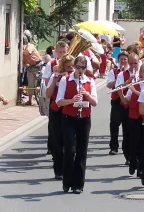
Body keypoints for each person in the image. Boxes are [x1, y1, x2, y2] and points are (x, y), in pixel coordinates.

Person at [56, 56, 98, 194]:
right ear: (74, 67)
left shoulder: (89, 81)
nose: (80, 70)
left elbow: (95, 103)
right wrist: (71, 100)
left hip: (84, 119)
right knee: (69, 150)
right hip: (69, 118)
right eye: (78, 67)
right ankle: (66, 182)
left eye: (83, 68)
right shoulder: (65, 80)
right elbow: (59, 102)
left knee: (81, 151)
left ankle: (78, 184)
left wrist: (86, 94)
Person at [119, 63, 144, 176]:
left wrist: (134, 90)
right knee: (134, 143)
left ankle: (142, 169)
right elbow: (126, 102)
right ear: (141, 74)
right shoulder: (135, 85)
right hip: (134, 117)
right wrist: (120, 93)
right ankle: (133, 163)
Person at [46, 54, 75, 180]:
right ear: (62, 66)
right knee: (57, 141)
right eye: (68, 67)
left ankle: (68, 169)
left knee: (69, 142)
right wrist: (55, 81)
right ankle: (58, 170)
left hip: (69, 109)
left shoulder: (75, 77)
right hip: (56, 111)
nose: (70, 69)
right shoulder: (55, 76)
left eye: (72, 66)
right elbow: (48, 94)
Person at [114, 53, 140, 164]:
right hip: (126, 106)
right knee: (127, 131)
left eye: (136, 63)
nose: (134, 65)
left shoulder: (142, 73)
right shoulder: (122, 74)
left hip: (139, 106)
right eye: (131, 63)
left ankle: (137, 155)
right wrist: (129, 81)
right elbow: (118, 88)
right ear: (128, 63)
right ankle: (128, 155)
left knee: (139, 132)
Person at [107, 52, 129, 156]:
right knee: (114, 125)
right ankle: (114, 147)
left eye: (125, 59)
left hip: (128, 101)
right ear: (118, 60)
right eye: (121, 59)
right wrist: (119, 78)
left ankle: (126, 149)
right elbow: (109, 85)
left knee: (126, 126)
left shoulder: (131, 72)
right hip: (116, 101)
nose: (123, 61)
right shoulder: (114, 71)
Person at [22, 36, 42, 105]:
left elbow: (28, 52)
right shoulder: (24, 50)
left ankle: (40, 100)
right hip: (30, 67)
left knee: (38, 84)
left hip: (37, 66)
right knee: (30, 84)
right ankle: (30, 100)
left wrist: (22, 50)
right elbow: (24, 61)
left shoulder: (30, 46)